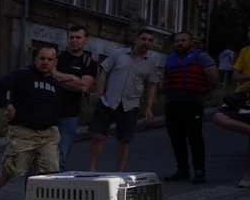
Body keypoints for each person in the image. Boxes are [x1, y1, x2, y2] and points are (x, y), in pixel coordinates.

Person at [0, 47, 61, 200]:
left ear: (55, 63)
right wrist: (8, 105)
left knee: (51, 171)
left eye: (50, 60)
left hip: (48, 134)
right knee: (12, 170)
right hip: (24, 132)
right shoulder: (23, 75)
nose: (45, 62)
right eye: (42, 58)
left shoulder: (55, 84)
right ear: (36, 59)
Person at [88, 28, 159, 172]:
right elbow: (104, 73)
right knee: (98, 136)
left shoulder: (150, 62)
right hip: (109, 101)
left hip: (130, 105)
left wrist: (149, 107)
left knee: (125, 140)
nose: (146, 43)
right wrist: (100, 94)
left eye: (150, 41)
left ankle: (120, 172)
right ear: (137, 40)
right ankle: (92, 169)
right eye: (143, 39)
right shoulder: (118, 54)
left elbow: (152, 84)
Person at [161, 31, 218, 184]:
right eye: (177, 40)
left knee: (194, 137)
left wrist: (204, 92)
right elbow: (165, 78)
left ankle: (199, 170)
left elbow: (212, 77)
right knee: (176, 137)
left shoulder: (201, 56)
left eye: (183, 40)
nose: (180, 43)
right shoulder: (171, 58)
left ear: (190, 42)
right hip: (172, 102)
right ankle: (182, 169)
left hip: (192, 102)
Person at [50, 25, 97, 172]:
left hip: (69, 114)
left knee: (61, 156)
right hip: (47, 112)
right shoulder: (56, 57)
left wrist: (56, 77)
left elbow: (83, 86)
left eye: (78, 37)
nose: (74, 40)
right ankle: (33, 192)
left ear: (85, 40)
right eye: (71, 37)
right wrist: (71, 77)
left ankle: (56, 191)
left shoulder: (89, 63)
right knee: (39, 156)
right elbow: (47, 72)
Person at [212, 28, 250, 188]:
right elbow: (235, 76)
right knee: (218, 117)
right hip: (241, 98)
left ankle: (247, 176)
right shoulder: (245, 50)